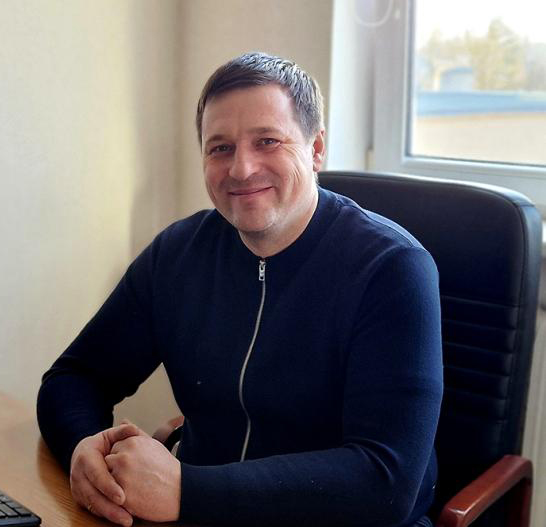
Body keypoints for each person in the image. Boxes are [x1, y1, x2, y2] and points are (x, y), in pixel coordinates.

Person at [36, 51, 443, 527]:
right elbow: (74, 377)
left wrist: (186, 491)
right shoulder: (177, 254)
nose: (241, 169)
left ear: (316, 149)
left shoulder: (392, 268)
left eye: (267, 141)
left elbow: (385, 483)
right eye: (220, 148)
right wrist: (82, 447)